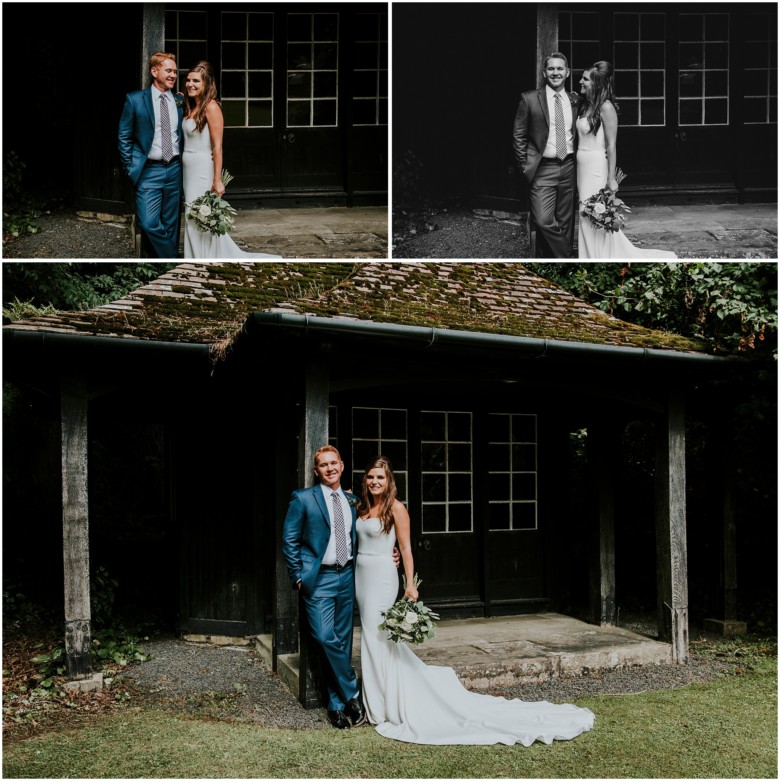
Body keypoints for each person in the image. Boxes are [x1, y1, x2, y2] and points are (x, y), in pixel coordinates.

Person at [354, 456, 596, 745]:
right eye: (370, 477)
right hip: (361, 577)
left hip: (382, 577)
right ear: (365, 480)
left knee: (379, 637)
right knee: (370, 640)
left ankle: (382, 707)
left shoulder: (396, 508)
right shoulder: (362, 507)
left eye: (380, 477)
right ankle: (377, 699)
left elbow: (405, 548)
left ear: (389, 480)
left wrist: (410, 586)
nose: (374, 482)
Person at [282, 445, 398, 729]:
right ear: (316, 470)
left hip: (348, 577)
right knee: (323, 636)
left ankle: (336, 707)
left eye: (334, 463)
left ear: (342, 466)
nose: (330, 468)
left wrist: (390, 552)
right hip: (318, 578)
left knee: (343, 642)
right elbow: (290, 540)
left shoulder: (353, 501)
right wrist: (298, 575)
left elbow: (373, 531)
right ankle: (352, 692)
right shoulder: (303, 499)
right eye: (324, 465)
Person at [576, 61, 676, 258]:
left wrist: (611, 178)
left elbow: (611, 145)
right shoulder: (585, 104)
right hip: (582, 167)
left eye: (585, 79)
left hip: (596, 166)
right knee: (585, 212)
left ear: (597, 83)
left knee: (593, 212)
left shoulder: (606, 107)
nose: (580, 81)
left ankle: (599, 256)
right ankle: (589, 254)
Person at [182, 61, 281, 258]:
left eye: (196, 81)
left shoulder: (211, 107)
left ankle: (206, 258)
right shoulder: (191, 106)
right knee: (192, 215)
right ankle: (194, 257)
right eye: (188, 80)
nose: (189, 84)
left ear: (207, 83)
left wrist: (217, 180)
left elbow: (218, 146)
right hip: (188, 171)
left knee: (201, 214)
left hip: (202, 169)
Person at [513, 53, 579, 258]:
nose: (555, 73)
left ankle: (560, 260)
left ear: (567, 72)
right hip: (542, 167)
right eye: (551, 69)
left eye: (560, 69)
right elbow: (519, 134)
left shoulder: (575, 99)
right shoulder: (530, 98)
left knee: (566, 222)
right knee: (543, 219)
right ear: (544, 73)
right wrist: (524, 165)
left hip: (569, 165)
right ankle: (568, 256)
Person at [118, 52, 184, 259]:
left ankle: (165, 265)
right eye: (168, 70)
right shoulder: (135, 99)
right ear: (154, 71)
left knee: (172, 225)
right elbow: (124, 136)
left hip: (175, 168)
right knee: (148, 222)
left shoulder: (180, 99)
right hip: (148, 171)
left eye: (174, 71)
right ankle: (172, 260)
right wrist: (130, 167)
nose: (173, 75)